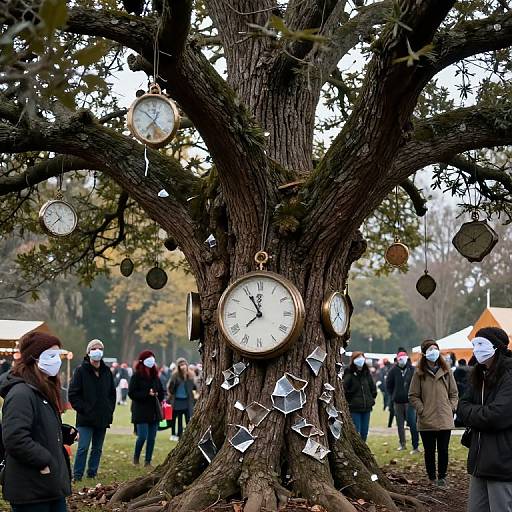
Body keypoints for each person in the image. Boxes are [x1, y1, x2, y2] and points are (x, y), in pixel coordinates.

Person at [0, 332, 71, 511]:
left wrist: (62, 432)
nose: (57, 360)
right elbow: (15, 437)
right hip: (31, 489)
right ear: (34, 358)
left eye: (58, 355)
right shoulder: (21, 394)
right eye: (51, 355)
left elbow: (37, 425)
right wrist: (44, 460)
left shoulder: (41, 389)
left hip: (50, 486)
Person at [457, 327, 512, 512]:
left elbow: (496, 416)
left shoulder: (508, 376)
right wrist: (477, 413)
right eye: (474, 344)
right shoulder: (478, 375)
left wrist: (472, 414)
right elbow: (461, 406)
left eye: (481, 344)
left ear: (496, 348)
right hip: (479, 462)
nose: (476, 349)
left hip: (502, 463)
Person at [408, 340, 458, 486]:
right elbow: (413, 395)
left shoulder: (447, 370)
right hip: (426, 419)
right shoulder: (419, 373)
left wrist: (451, 407)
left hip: (444, 418)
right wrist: (422, 410)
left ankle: (442, 477)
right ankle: (431, 477)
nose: (434, 351)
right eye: (430, 349)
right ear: (424, 353)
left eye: (436, 348)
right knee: (429, 451)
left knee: (443, 450)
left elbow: (454, 393)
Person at [68, 339, 116, 482]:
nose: (97, 351)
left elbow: (112, 393)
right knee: (83, 447)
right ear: (89, 352)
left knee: (97, 448)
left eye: (100, 348)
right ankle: (77, 475)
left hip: (102, 417)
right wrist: (84, 409)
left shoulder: (107, 371)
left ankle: (92, 473)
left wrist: (109, 410)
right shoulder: (81, 371)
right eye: (94, 348)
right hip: (86, 418)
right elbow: (73, 394)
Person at [129, 350, 164, 466]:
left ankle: (148, 461)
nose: (151, 360)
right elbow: (132, 393)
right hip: (141, 411)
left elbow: (161, 391)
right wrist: (146, 394)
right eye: (149, 358)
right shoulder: (136, 376)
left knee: (152, 438)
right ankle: (136, 457)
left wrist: (158, 394)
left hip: (154, 411)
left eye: (152, 358)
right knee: (142, 436)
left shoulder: (155, 376)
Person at [387, 348, 420, 453]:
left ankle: (415, 446)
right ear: (397, 360)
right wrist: (394, 395)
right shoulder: (393, 371)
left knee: (413, 424)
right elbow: (389, 385)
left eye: (404, 358)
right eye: (400, 359)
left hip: (410, 402)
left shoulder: (412, 370)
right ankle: (402, 444)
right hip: (398, 402)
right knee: (400, 425)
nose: (402, 361)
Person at [343, 351, 377, 441]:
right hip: (355, 407)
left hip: (366, 407)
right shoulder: (349, 372)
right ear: (353, 360)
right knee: (356, 430)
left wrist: (371, 398)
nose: (360, 360)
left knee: (364, 431)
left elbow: (372, 387)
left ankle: (364, 447)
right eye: (358, 358)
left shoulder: (366, 373)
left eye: (362, 357)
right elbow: (345, 388)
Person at [167, 357, 196, 440]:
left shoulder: (190, 375)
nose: (183, 366)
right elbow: (170, 387)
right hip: (177, 400)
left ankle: (187, 435)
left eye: (184, 364)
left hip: (187, 401)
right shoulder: (175, 375)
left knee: (188, 419)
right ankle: (177, 434)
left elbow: (193, 387)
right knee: (178, 419)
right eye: (181, 365)